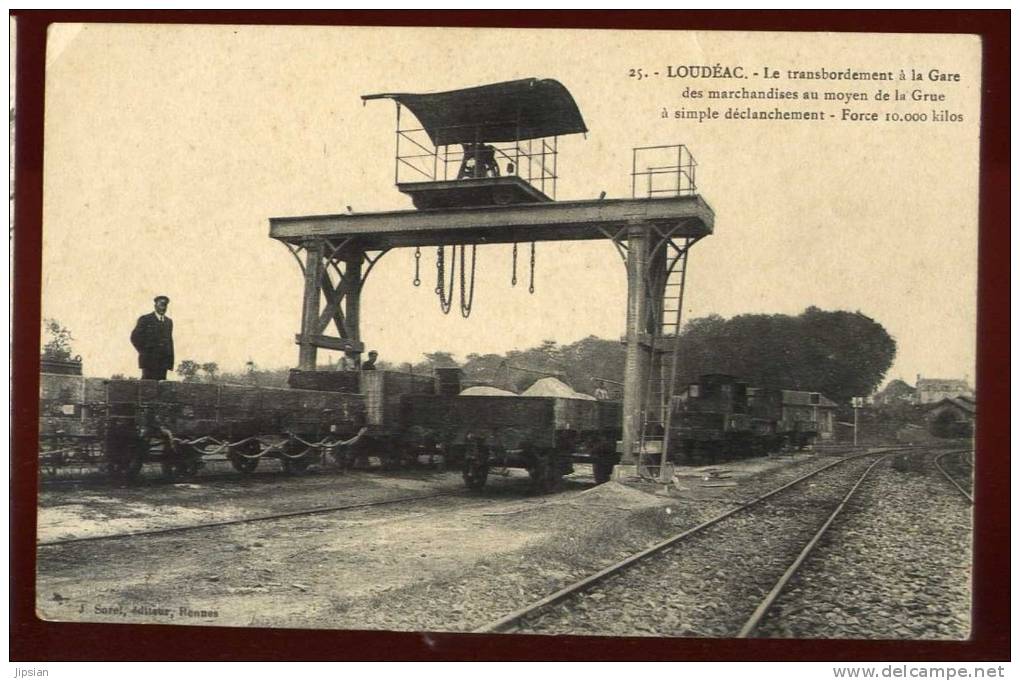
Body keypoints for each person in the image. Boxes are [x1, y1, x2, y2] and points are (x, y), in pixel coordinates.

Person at [130, 295, 174, 380]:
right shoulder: (145, 319)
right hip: (148, 362)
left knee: (161, 388)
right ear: (155, 306)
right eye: (161, 304)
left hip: (163, 363)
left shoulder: (169, 322)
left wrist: (169, 362)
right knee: (148, 386)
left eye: (165, 305)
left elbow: (169, 342)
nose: (163, 307)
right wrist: (145, 352)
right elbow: (134, 337)